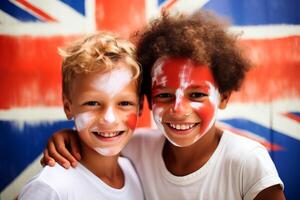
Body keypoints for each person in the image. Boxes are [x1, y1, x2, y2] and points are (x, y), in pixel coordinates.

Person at [41, 11, 285, 200]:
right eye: (165, 95)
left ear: (223, 97)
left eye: (197, 94)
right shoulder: (137, 150)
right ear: (146, 99)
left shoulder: (246, 160)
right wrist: (70, 135)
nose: (179, 109)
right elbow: (102, 139)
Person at [19, 32, 144, 200]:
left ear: (140, 107)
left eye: (124, 103)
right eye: (92, 103)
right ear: (67, 107)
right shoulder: (52, 187)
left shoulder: (134, 171)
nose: (109, 119)